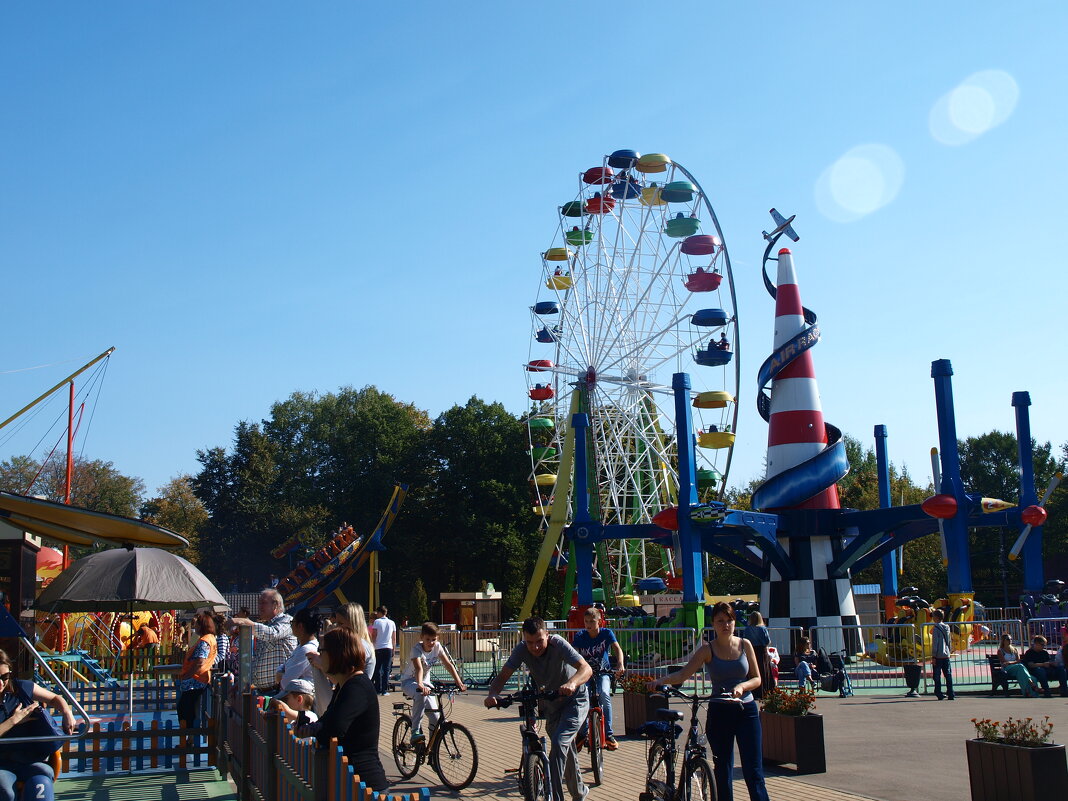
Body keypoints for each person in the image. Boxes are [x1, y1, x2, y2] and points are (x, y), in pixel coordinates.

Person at [650, 602, 770, 801]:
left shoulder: (744, 644)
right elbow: (682, 674)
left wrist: (742, 687)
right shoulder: (707, 650)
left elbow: (757, 678)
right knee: (722, 769)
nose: (725, 625)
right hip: (720, 711)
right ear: (713, 624)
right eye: (720, 621)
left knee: (754, 770)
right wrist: (660, 681)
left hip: (746, 710)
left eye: (729, 620)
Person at [485, 618, 592, 801]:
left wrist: (572, 683)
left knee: (559, 743)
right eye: (530, 642)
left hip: (574, 700)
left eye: (539, 641)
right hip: (552, 705)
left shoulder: (558, 643)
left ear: (547, 635)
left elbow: (586, 669)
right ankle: (580, 792)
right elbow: (503, 676)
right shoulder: (521, 650)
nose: (535, 647)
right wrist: (493, 694)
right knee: (564, 748)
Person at [295, 628, 387, 791]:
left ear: (336, 654)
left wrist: (314, 730)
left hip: (364, 784)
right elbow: (327, 720)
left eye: (321, 651)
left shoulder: (356, 687)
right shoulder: (344, 685)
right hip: (351, 780)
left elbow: (335, 729)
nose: (319, 655)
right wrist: (311, 727)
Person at [0, 648, 76, 801]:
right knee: (6, 793)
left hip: (27, 759)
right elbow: (15, 720)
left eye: (5, 676)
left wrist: (67, 712)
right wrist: (14, 720)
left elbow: (54, 698)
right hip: (2, 764)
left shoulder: (20, 688)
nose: (1, 682)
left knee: (42, 777)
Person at [401, 623, 466, 744]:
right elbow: (419, 668)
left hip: (425, 683)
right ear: (421, 637)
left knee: (436, 719)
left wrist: (459, 683)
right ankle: (415, 731)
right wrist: (420, 684)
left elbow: (448, 665)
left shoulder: (437, 647)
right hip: (409, 681)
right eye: (427, 639)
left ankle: (432, 749)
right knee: (420, 695)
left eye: (433, 640)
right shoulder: (416, 650)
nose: (431, 642)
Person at [571, 607, 624, 751]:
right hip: (585, 674)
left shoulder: (606, 633)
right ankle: (582, 733)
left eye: (592, 622)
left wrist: (620, 664)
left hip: (603, 672)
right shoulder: (580, 636)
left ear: (599, 621)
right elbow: (574, 653)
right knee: (582, 698)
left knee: (604, 695)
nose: (588, 625)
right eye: (586, 621)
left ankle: (609, 734)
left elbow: (617, 649)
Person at [232, 589, 297, 696]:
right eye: (259, 603)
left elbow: (272, 634)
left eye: (263, 603)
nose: (259, 606)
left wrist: (243, 621)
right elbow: (257, 659)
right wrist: (243, 683)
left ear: (275, 605)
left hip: (280, 691)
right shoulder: (266, 626)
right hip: (264, 692)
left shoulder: (287, 621)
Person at [177, 612, 218, 730]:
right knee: (190, 708)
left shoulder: (205, 641)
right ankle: (189, 736)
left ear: (202, 626)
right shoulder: (211, 639)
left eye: (197, 625)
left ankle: (188, 735)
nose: (195, 627)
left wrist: (188, 675)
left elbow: (200, 661)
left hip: (195, 679)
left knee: (184, 709)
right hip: (200, 678)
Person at [274, 609, 320, 698]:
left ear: (300, 626)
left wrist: (281, 675)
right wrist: (281, 672)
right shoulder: (301, 647)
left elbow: (286, 683)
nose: (291, 626)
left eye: (292, 622)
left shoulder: (306, 649)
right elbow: (284, 666)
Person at [329, 604, 376, 685]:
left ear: (354, 623)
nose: (337, 628)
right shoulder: (355, 644)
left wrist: (321, 665)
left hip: (356, 693)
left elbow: (342, 680)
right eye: (336, 624)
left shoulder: (359, 646)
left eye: (340, 623)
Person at [740, 612, 774, 700]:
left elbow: (745, 640)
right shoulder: (762, 628)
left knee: (752, 671)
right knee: (763, 670)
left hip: (751, 650)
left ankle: (754, 691)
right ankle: (765, 691)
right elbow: (767, 641)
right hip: (761, 651)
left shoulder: (747, 629)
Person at [370, 606, 397, 696]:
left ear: (379, 612)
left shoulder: (377, 622)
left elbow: (374, 635)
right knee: (386, 669)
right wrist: (394, 649)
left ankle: (378, 688)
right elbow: (394, 638)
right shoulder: (392, 622)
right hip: (388, 648)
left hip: (378, 647)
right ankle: (384, 690)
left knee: (377, 668)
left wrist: (372, 645)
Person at [929, 609, 955, 700]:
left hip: (938, 655)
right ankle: (951, 693)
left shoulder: (936, 628)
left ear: (935, 617)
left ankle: (938, 692)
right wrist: (949, 650)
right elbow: (949, 640)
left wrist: (933, 655)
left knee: (937, 675)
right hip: (946, 654)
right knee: (948, 674)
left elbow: (935, 642)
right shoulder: (947, 627)